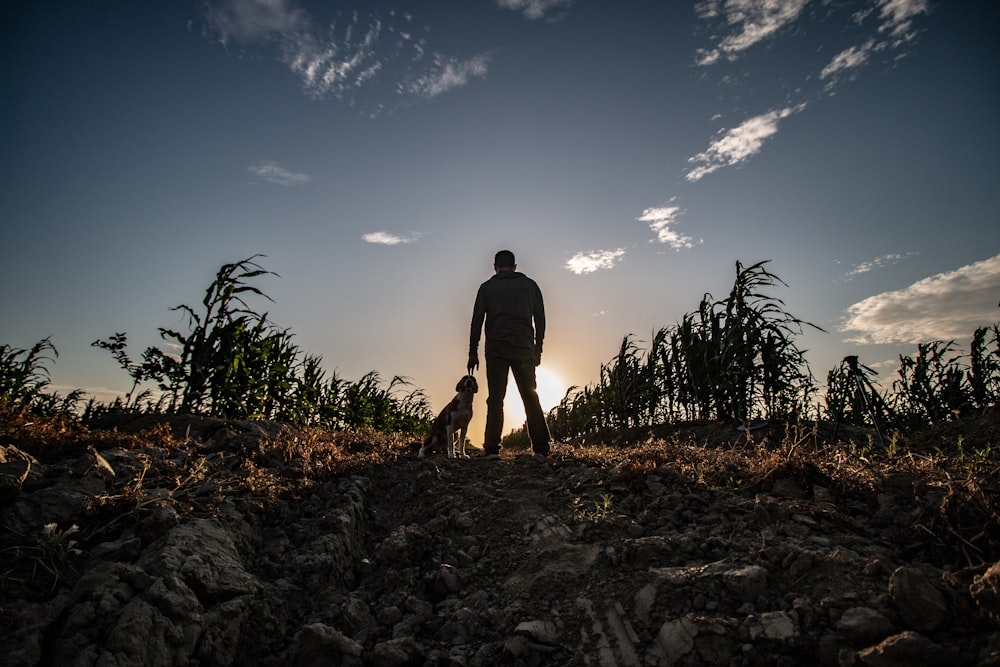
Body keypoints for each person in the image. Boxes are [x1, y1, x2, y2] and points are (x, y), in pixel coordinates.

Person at [468, 250, 551, 459]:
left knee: (496, 398)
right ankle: (541, 449)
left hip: (496, 349)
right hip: (524, 348)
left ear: (495, 266)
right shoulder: (530, 286)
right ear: (515, 266)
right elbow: (540, 320)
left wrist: (472, 353)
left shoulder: (487, 288)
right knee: (530, 396)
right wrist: (537, 349)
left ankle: (492, 448)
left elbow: (477, 321)